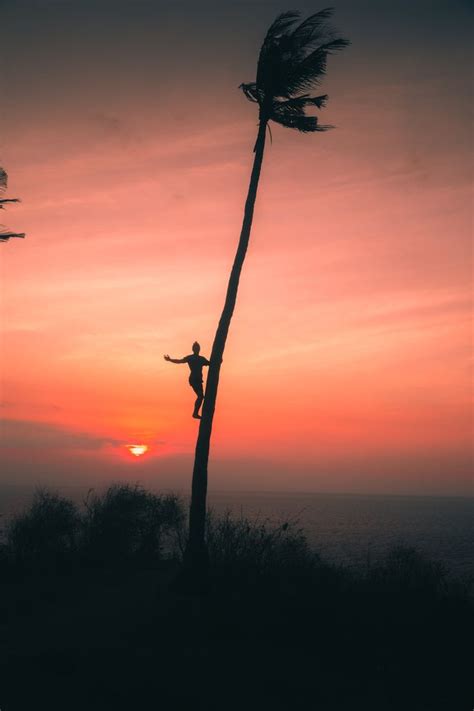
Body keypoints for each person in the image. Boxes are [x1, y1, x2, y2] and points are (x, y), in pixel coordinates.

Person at [164, 342, 210, 419]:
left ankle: (195, 413)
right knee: (201, 396)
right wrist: (170, 360)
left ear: (199, 349)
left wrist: (219, 360)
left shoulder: (201, 359)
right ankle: (195, 413)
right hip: (193, 379)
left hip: (198, 380)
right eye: (195, 348)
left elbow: (210, 363)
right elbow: (179, 361)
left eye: (197, 348)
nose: (197, 349)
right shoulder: (191, 358)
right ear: (193, 349)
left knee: (201, 396)